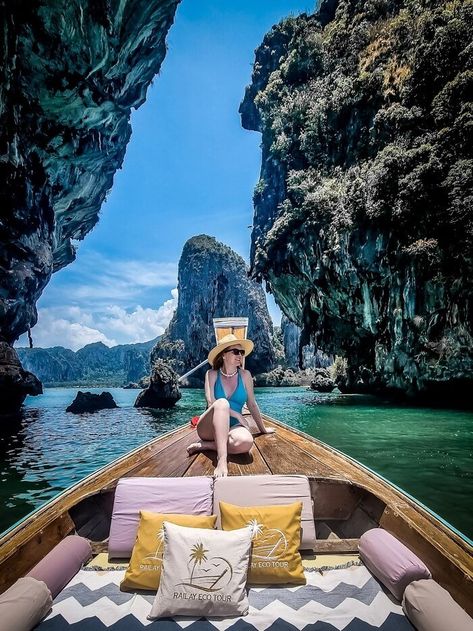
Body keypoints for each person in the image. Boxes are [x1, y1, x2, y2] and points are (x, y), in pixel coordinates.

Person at [187, 333, 275, 477]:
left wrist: (263, 429)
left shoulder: (245, 375)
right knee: (222, 403)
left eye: (242, 352)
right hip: (209, 428)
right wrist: (238, 415)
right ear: (223, 355)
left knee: (246, 442)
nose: (240, 355)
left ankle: (207, 446)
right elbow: (211, 403)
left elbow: (252, 404)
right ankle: (221, 460)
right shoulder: (211, 374)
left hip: (232, 428)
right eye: (235, 352)